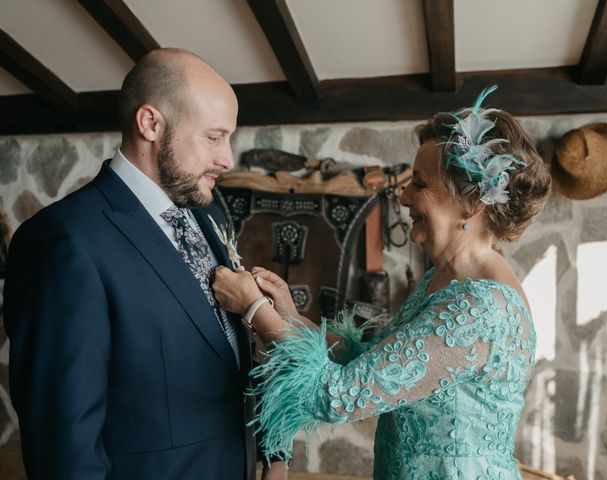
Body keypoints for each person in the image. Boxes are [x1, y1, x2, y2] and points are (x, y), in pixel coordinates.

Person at [212, 86, 551, 479]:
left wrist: (254, 310)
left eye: (420, 185)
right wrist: (286, 315)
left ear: (472, 203)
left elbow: (339, 395)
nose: (405, 197)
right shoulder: (440, 282)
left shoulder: (479, 309)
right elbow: (369, 361)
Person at [3, 48, 286, 480]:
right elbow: (64, 442)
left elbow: (233, 354)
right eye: (213, 137)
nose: (228, 159)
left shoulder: (209, 213)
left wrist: (272, 454)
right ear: (150, 123)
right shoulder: (62, 241)